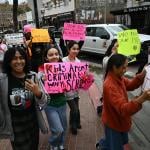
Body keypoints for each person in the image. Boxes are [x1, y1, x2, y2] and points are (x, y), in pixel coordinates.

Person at [96, 54, 150, 150]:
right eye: (123, 68)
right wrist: (142, 98)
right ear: (114, 67)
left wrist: (142, 75)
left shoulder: (118, 76)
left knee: (122, 140)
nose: (125, 70)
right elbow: (123, 109)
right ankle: (103, 145)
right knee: (116, 146)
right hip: (113, 123)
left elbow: (130, 85)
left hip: (120, 121)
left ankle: (103, 144)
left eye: (126, 67)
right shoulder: (110, 85)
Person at [0, 46, 47, 150]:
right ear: (8, 61)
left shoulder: (33, 76)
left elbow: (45, 101)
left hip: (33, 122)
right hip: (15, 125)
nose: (18, 61)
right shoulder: (2, 80)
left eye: (21, 58)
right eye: (14, 58)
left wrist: (38, 93)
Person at [38, 47, 67, 150]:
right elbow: (39, 87)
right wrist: (42, 79)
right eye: (51, 55)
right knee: (58, 129)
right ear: (46, 57)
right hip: (50, 104)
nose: (54, 56)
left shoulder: (64, 68)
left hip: (62, 103)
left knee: (63, 127)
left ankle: (60, 143)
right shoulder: (42, 70)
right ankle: (53, 143)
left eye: (56, 54)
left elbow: (69, 85)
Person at [62, 41, 81, 135]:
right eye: (73, 49)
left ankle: (77, 122)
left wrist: (85, 78)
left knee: (77, 108)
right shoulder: (63, 61)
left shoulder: (78, 61)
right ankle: (73, 125)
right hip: (67, 91)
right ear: (69, 49)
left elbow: (80, 76)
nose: (76, 51)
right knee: (74, 109)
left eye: (77, 49)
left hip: (76, 90)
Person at [97, 39, 118, 115]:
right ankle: (102, 109)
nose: (118, 47)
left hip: (116, 83)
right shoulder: (106, 58)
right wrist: (113, 53)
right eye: (116, 46)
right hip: (108, 83)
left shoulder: (119, 58)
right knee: (108, 99)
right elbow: (107, 64)